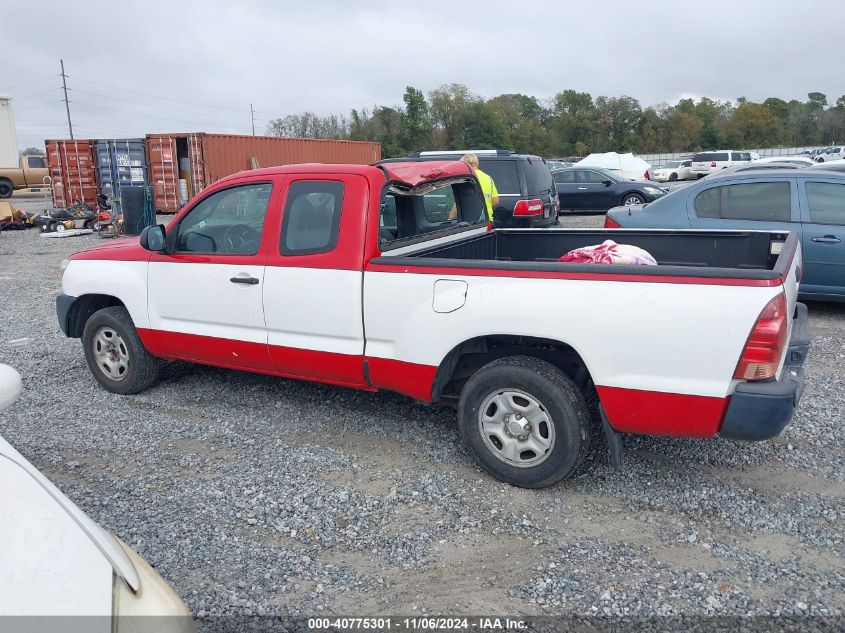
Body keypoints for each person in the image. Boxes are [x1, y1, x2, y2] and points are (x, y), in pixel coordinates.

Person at [460, 153, 499, 222]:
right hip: (488, 220)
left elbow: (459, 203)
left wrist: (449, 219)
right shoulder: (488, 178)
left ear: (467, 164)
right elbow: (495, 201)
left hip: (471, 222)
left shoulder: (466, 178)